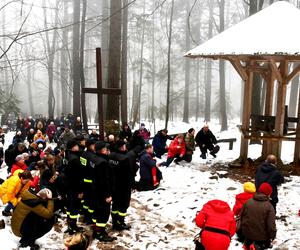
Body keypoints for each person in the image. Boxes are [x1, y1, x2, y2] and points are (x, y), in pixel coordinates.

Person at [240, 182, 276, 250]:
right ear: (268, 194)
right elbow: (271, 226)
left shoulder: (248, 202)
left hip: (247, 234)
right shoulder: (269, 206)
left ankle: (249, 245)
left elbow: (241, 217)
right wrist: (273, 236)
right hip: (261, 238)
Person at [92, 141, 116, 242]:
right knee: (103, 214)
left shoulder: (94, 159)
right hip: (102, 193)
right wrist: (107, 195)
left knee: (98, 212)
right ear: (102, 150)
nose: (107, 150)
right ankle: (100, 234)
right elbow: (104, 180)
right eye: (106, 149)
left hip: (95, 190)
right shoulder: (103, 162)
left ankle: (98, 230)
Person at [109, 140, 135, 231]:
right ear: (122, 147)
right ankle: (121, 222)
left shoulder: (110, 155)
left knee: (115, 204)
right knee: (123, 205)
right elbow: (129, 173)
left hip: (113, 185)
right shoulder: (125, 158)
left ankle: (115, 222)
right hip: (123, 186)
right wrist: (132, 184)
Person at [64, 139, 84, 234]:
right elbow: (78, 176)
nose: (78, 147)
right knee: (74, 207)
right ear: (73, 147)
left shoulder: (67, 156)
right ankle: (73, 226)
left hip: (68, 185)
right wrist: (80, 191)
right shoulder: (75, 159)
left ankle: (70, 225)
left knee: (69, 206)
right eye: (76, 145)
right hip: (75, 187)